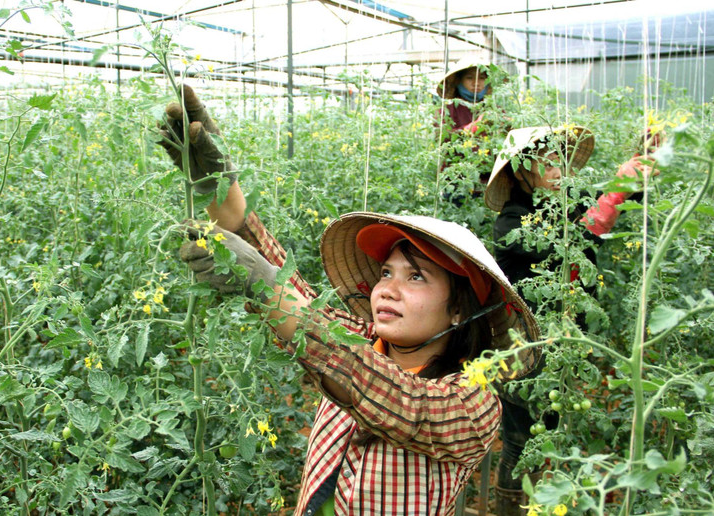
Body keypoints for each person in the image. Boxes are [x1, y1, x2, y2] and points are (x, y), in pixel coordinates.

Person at [159, 85, 542, 515]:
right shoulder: (361, 338)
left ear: (458, 308)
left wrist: (263, 284)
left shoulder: (471, 401)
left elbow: (391, 393)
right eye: (385, 273)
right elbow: (293, 291)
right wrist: (220, 186)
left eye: (416, 277)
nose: (387, 290)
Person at [483, 125, 658, 514]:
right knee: (519, 440)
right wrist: (617, 187)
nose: (558, 168)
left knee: (551, 427)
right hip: (519, 349)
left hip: (559, 345)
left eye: (561, 159)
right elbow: (583, 235)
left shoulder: (569, 206)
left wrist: (639, 162)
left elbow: (610, 208)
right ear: (521, 172)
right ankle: (509, 508)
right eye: (546, 161)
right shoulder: (510, 225)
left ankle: (546, 502)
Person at [435, 56, 506, 201]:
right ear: (458, 81)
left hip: (488, 182)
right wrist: (474, 127)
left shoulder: (494, 109)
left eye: (482, 78)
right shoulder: (448, 109)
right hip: (457, 182)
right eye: (469, 78)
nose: (476, 83)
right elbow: (443, 141)